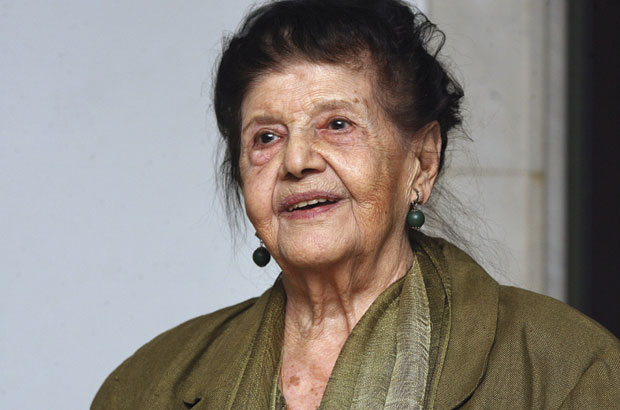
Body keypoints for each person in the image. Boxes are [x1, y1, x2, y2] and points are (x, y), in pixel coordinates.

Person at [91, 0, 620, 409]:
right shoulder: (148, 385)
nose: (297, 160)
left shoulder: (567, 369)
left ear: (422, 161)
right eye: (267, 137)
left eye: (337, 125)